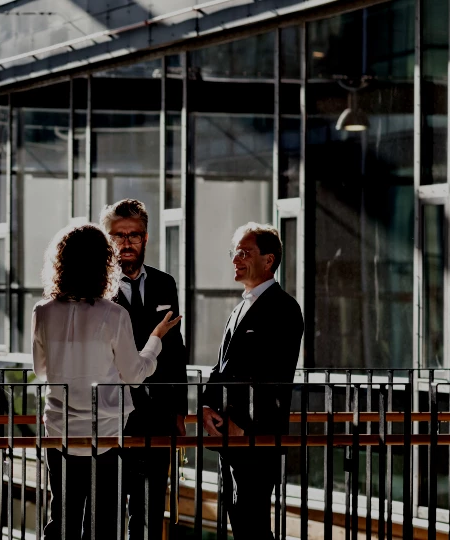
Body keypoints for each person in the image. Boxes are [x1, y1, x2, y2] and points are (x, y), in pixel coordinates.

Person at [32, 223, 182, 540]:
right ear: (104, 264)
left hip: (60, 429)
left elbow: (41, 370)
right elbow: (134, 374)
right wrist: (155, 340)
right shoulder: (113, 314)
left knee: (62, 516)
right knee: (104, 521)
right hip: (106, 432)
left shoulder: (43, 311)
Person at [200, 222, 304, 540]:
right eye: (235, 253)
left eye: (245, 253)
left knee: (253, 525)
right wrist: (206, 405)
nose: (236, 260)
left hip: (256, 439)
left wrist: (246, 428)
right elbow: (221, 367)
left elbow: (276, 377)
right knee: (241, 522)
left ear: (269, 260)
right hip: (229, 438)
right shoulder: (238, 309)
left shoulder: (284, 309)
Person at [98, 199, 188, 540]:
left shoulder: (166, 284)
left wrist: (180, 410)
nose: (126, 242)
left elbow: (176, 349)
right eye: (118, 235)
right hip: (113, 412)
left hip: (159, 414)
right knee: (108, 508)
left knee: (150, 511)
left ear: (146, 238)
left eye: (133, 234)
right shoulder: (98, 291)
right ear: (108, 240)